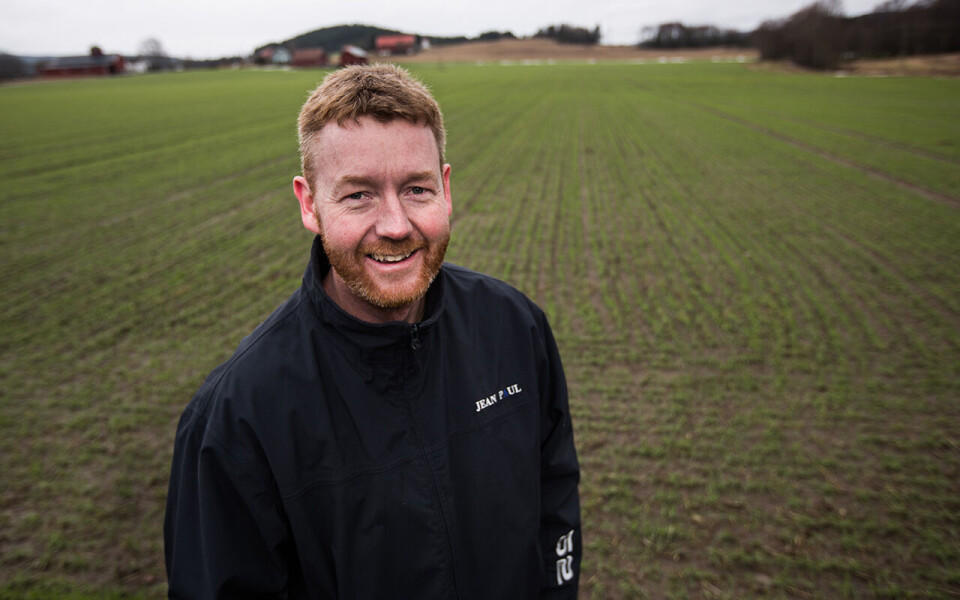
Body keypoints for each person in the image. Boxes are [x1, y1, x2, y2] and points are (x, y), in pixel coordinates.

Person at [164, 64, 581, 599]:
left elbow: (555, 502)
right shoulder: (236, 418)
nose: (395, 225)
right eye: (358, 195)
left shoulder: (515, 328)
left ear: (446, 190)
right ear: (310, 203)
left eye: (416, 189)